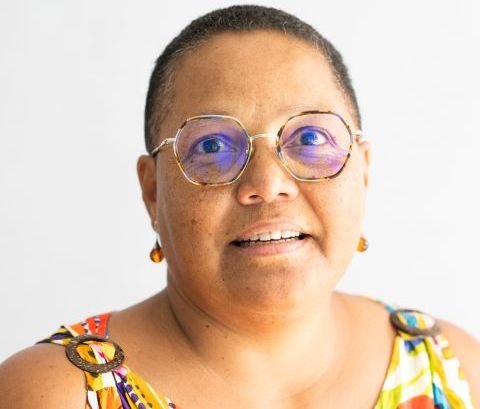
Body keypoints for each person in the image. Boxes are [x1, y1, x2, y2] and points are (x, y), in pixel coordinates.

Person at [0, 5, 478, 409]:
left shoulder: (453, 368)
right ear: (153, 192)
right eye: (211, 146)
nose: (267, 185)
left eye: (310, 138)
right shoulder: (55, 394)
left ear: (364, 172)